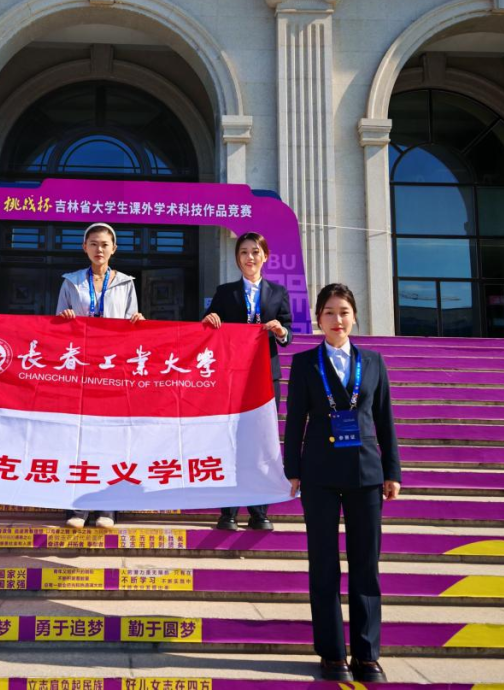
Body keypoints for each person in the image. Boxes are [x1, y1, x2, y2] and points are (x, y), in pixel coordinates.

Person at [283, 283, 401, 683]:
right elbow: (295, 420)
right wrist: (292, 468)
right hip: (318, 474)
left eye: (344, 312)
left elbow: (384, 419)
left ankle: (367, 654)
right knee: (323, 564)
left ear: (355, 317)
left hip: (366, 474)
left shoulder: (373, 362)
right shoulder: (304, 363)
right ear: (318, 319)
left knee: (366, 564)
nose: (337, 320)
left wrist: (392, 471)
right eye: (330, 312)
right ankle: (332, 653)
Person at [201, 231, 293, 532]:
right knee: (229, 441)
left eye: (255, 252)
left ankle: (259, 512)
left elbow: (288, 333)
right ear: (237, 258)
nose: (249, 257)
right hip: (231, 377)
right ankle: (228, 512)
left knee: (261, 442)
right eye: (243, 252)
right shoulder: (225, 292)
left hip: (266, 376)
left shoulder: (278, 292)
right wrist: (209, 321)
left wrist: (280, 331)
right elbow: (207, 326)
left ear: (265, 256)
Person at [56, 222, 144, 528]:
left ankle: (107, 506)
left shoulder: (126, 283)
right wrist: (64, 318)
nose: (99, 249)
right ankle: (77, 508)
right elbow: (56, 328)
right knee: (79, 437)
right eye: (93, 244)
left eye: (105, 244)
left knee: (111, 438)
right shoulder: (71, 282)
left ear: (114, 249)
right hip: (80, 370)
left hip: (113, 371)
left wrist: (138, 321)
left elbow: (133, 328)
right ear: (84, 247)